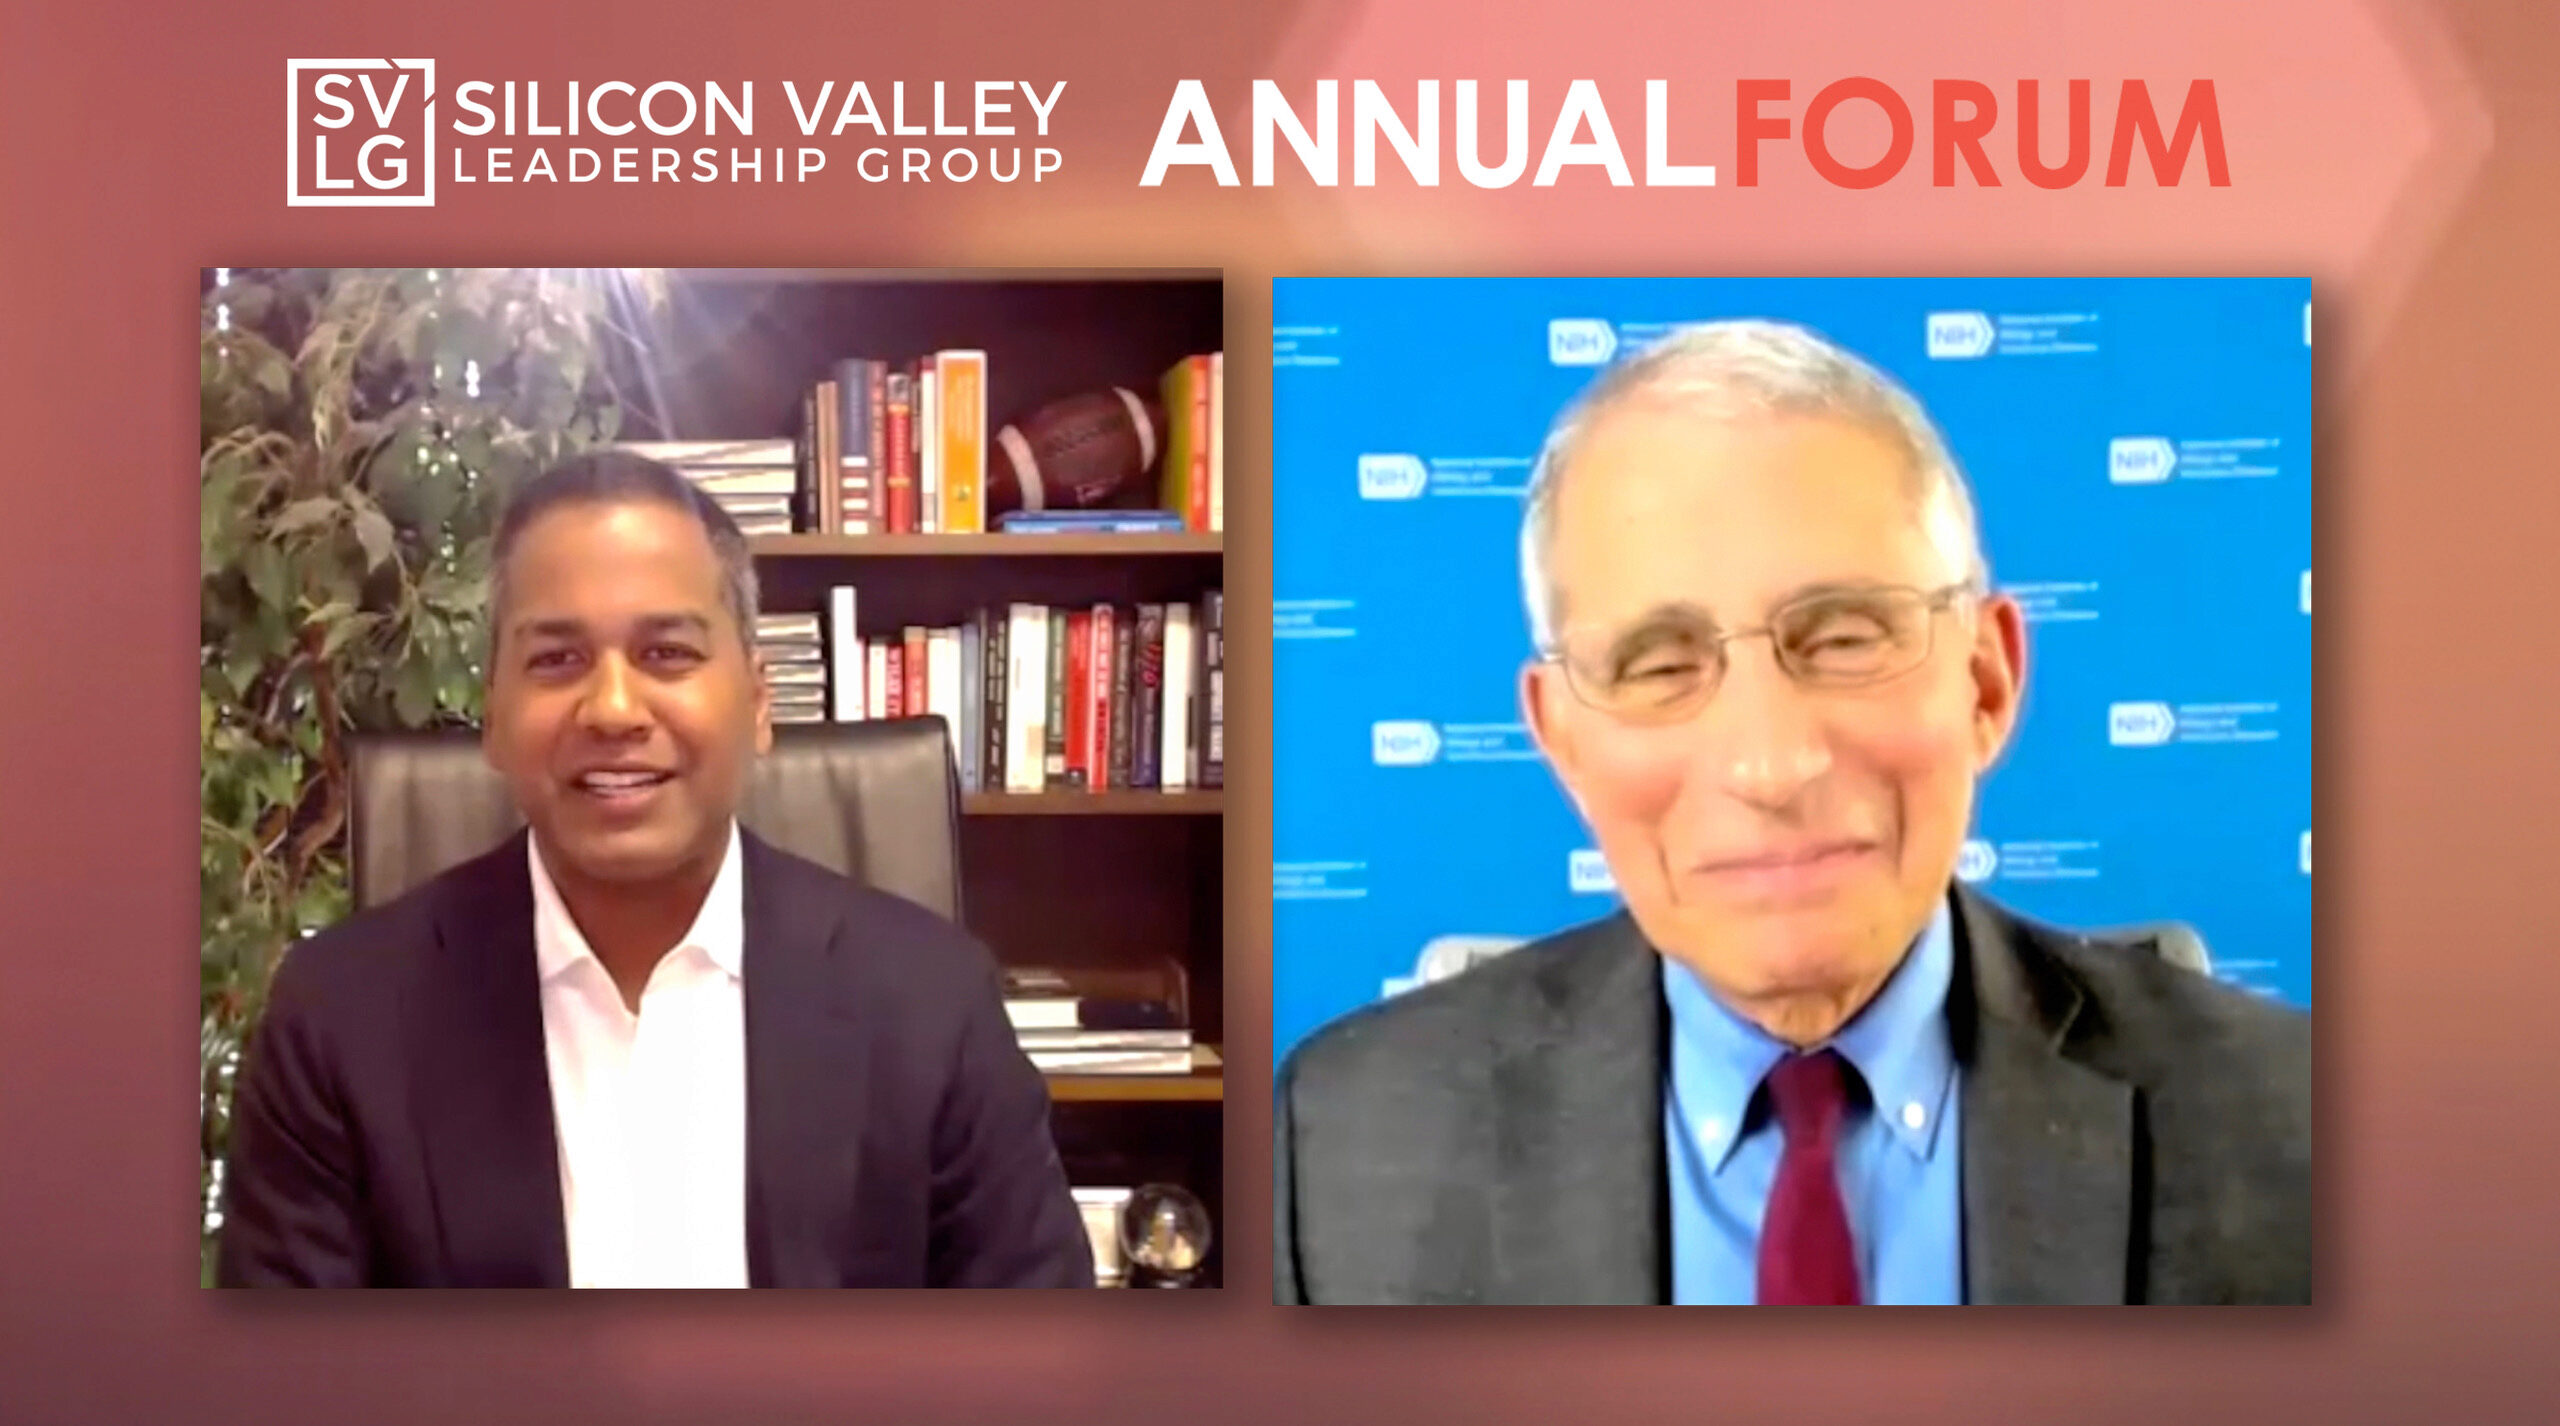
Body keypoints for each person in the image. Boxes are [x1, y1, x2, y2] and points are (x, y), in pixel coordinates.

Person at [1273, 321, 2311, 1305]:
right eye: (1660, 664)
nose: (1769, 764)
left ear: (1985, 683)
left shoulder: (2302, 1132)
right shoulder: (1343, 1152)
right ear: (1565, 744)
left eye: (1846, 638)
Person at [217, 451, 1093, 1288]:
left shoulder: (932, 1006)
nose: (612, 708)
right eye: (557, 659)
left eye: (666, 653)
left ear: (757, 703)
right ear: (491, 716)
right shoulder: (341, 1020)